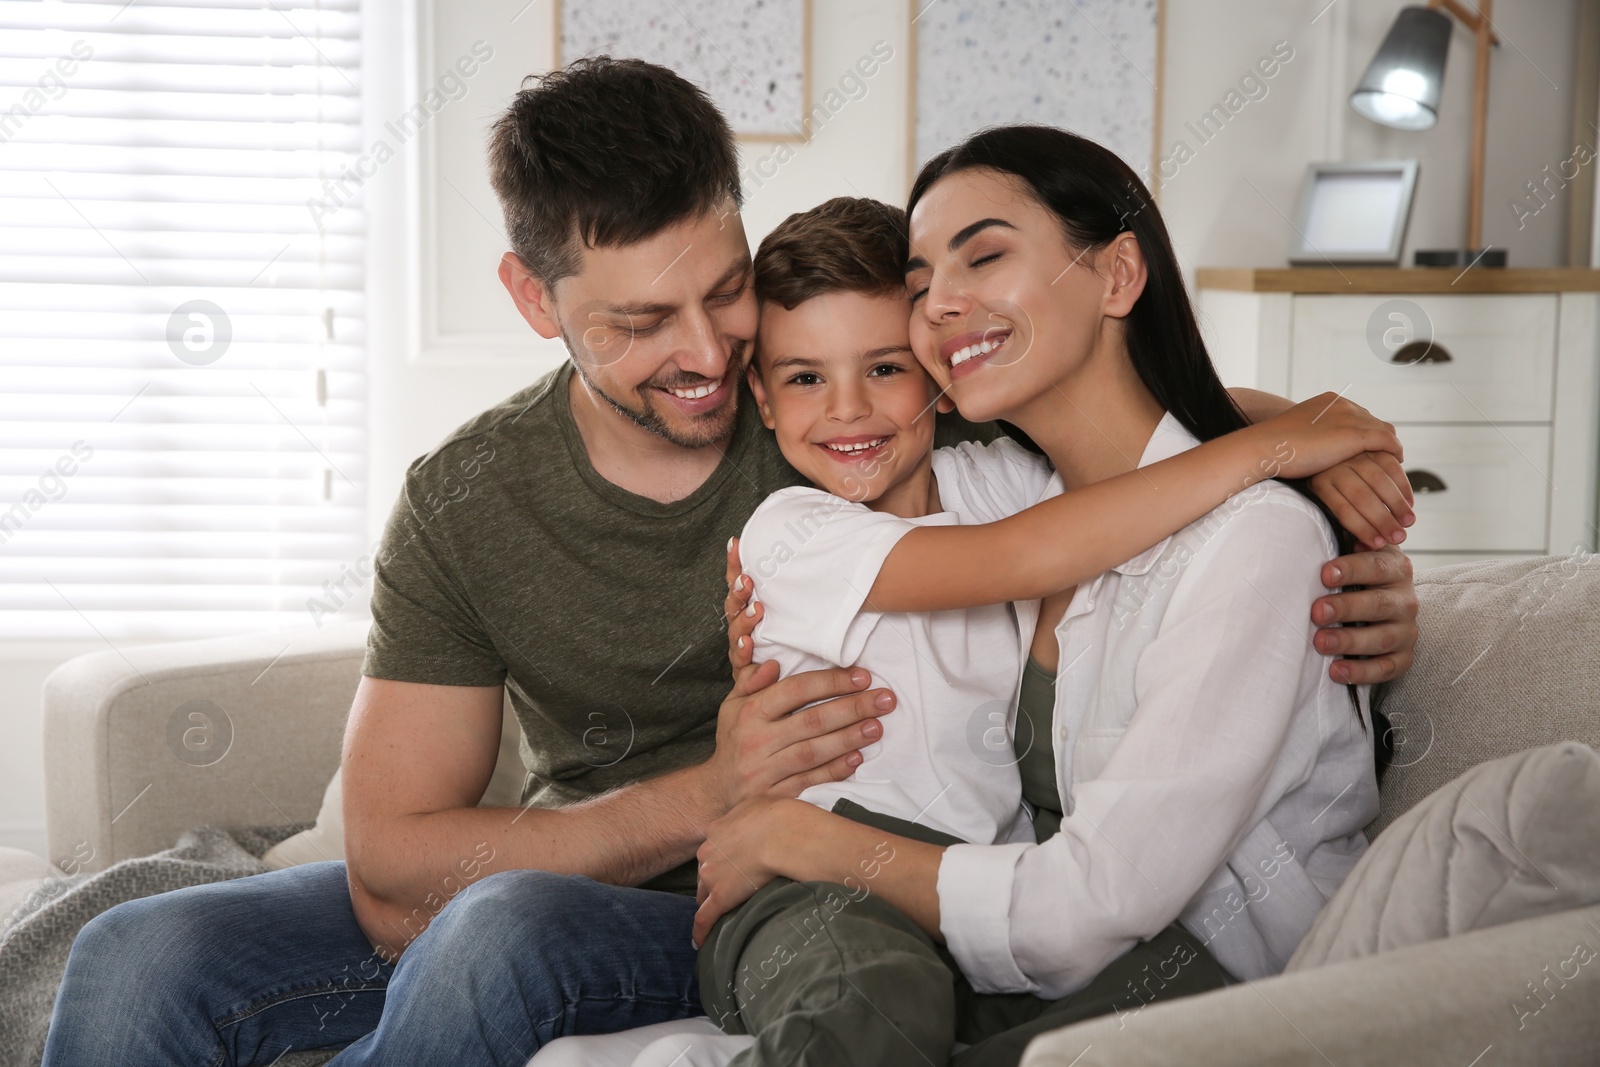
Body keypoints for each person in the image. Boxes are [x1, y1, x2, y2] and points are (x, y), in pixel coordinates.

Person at [41, 63, 1420, 1067]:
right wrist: (712, 787)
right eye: (643, 321)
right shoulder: (471, 498)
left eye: (722, 293)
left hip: (774, 893)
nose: (708, 357)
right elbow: (394, 856)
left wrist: (1298, 456)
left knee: (502, 932)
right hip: (637, 861)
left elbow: (1076, 408)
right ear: (535, 300)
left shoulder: (840, 425)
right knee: (132, 950)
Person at [694, 125, 1411, 1067]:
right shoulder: (1005, 500)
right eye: (921, 289)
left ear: (1118, 276)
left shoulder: (1228, 532)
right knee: (873, 1013)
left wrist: (1310, 440)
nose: (941, 306)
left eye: (983, 254)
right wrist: (1289, 433)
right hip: (973, 929)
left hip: (1174, 966)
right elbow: (1044, 540)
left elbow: (1091, 900)